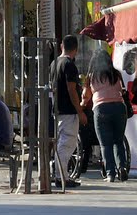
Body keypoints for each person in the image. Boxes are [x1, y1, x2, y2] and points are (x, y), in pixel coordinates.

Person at [86, 50, 130, 182]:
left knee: (105, 144)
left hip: (101, 108)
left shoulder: (92, 76)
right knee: (118, 140)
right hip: (119, 108)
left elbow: (86, 95)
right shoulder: (116, 74)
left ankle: (110, 174)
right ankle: (122, 167)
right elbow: (122, 90)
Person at [49, 35, 85, 187]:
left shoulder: (54, 63)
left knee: (60, 143)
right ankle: (61, 177)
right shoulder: (69, 65)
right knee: (67, 144)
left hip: (57, 109)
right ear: (75, 49)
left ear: (61, 46)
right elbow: (72, 89)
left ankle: (59, 175)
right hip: (68, 111)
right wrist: (80, 111)